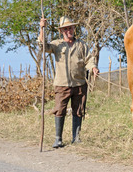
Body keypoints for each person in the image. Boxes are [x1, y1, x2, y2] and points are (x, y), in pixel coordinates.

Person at [38, 16, 99, 148]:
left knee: (79, 110)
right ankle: (58, 139)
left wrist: (93, 68)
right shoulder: (57, 44)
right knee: (60, 110)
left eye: (70, 28)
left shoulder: (81, 45)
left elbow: (89, 59)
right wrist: (42, 28)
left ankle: (76, 138)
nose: (68, 31)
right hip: (62, 84)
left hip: (79, 84)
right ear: (61, 31)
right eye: (65, 29)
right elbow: (43, 46)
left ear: (73, 29)